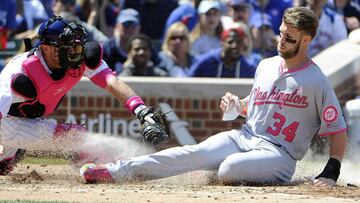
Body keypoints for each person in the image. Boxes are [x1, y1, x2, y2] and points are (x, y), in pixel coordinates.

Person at [80, 7, 347, 186]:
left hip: (280, 154)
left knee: (229, 169)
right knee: (192, 152)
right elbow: (254, 108)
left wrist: (332, 170)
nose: (281, 40)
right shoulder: (266, 65)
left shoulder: (317, 81)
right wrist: (237, 105)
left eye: (289, 38)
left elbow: (337, 128)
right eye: (280, 33)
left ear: (307, 41)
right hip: (244, 137)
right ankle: (115, 172)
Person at [0, 16, 168, 175]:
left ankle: (8, 155)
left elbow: (111, 82)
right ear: (45, 48)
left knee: (3, 167)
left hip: (28, 120)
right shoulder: (20, 71)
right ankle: (107, 173)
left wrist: (140, 110)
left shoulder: (78, 59)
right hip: (6, 121)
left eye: (76, 46)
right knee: (74, 136)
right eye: (65, 47)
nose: (74, 53)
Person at [189, 27, 258, 78]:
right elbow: (190, 81)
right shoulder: (205, 62)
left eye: (239, 42)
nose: (235, 46)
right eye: (230, 42)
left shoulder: (248, 68)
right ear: (222, 43)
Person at [102, 8, 141, 73]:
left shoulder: (145, 48)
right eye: (126, 24)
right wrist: (125, 67)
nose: (129, 28)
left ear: (139, 28)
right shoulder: (106, 48)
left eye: (133, 25)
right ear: (117, 25)